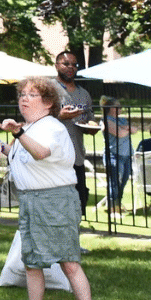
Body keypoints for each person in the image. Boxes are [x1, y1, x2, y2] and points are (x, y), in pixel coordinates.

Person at [0, 77, 105, 300]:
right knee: (32, 261)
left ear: (49, 102)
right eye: (22, 95)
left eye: (32, 95)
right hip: (31, 200)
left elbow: (41, 152)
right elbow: (24, 154)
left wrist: (17, 134)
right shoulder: (32, 127)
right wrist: (1, 146)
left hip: (55, 201)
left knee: (68, 261)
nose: (24, 99)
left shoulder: (51, 127)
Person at [51, 51, 97, 216]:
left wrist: (92, 127)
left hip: (76, 157)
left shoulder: (83, 94)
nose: (71, 67)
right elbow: (34, 118)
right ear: (56, 65)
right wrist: (59, 116)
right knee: (57, 208)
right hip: (53, 157)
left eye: (74, 64)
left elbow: (90, 119)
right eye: (66, 63)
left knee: (78, 205)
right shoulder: (48, 89)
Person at [101, 96, 132, 218]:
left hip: (126, 155)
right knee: (114, 183)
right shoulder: (105, 120)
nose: (121, 109)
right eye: (118, 106)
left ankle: (117, 205)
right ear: (111, 108)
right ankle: (113, 209)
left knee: (123, 182)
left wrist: (125, 128)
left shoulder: (122, 120)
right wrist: (125, 130)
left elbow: (135, 129)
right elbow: (120, 133)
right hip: (113, 155)